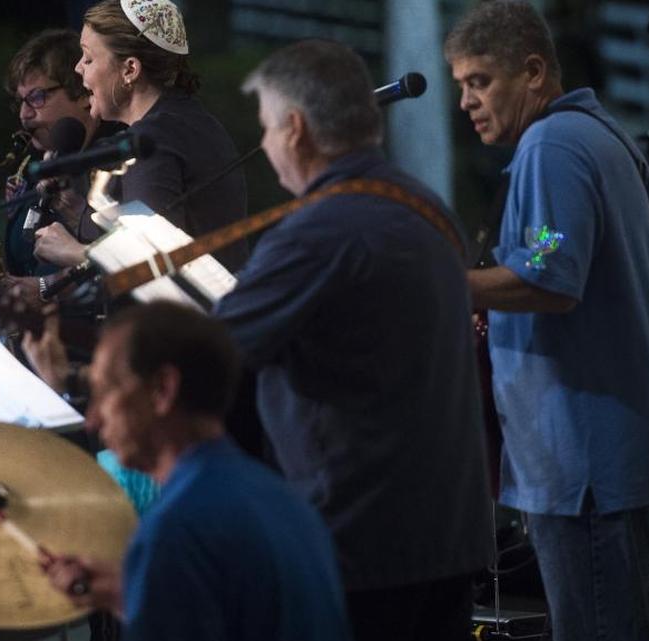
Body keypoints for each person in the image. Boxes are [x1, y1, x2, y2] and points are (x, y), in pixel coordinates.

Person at [209, 39, 494, 641]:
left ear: (294, 129)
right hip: (449, 535)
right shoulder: (426, 207)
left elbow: (210, 353)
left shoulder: (315, 232)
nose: (264, 147)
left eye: (264, 129)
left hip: (359, 546)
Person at [444, 3, 649, 640]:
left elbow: (549, 276)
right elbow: (549, 256)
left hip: (590, 457)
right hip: (612, 445)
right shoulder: (599, 133)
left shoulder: (552, 145)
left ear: (533, 72)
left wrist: (442, 286)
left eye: (480, 82)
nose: (466, 103)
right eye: (461, 86)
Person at [39, 301, 351, 641]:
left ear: (162, 389)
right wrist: (133, 596)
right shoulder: (282, 497)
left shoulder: (175, 532)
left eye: (105, 391)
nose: (93, 419)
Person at [34, 0, 249, 273]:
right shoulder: (189, 121)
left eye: (88, 58)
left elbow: (156, 265)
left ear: (130, 70)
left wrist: (77, 253)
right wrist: (74, 208)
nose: (78, 68)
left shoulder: (153, 140)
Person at [1, 28, 124, 278]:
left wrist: (45, 289)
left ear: (82, 93)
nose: (24, 115)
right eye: (20, 101)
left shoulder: (120, 161)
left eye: (36, 97)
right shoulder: (31, 167)